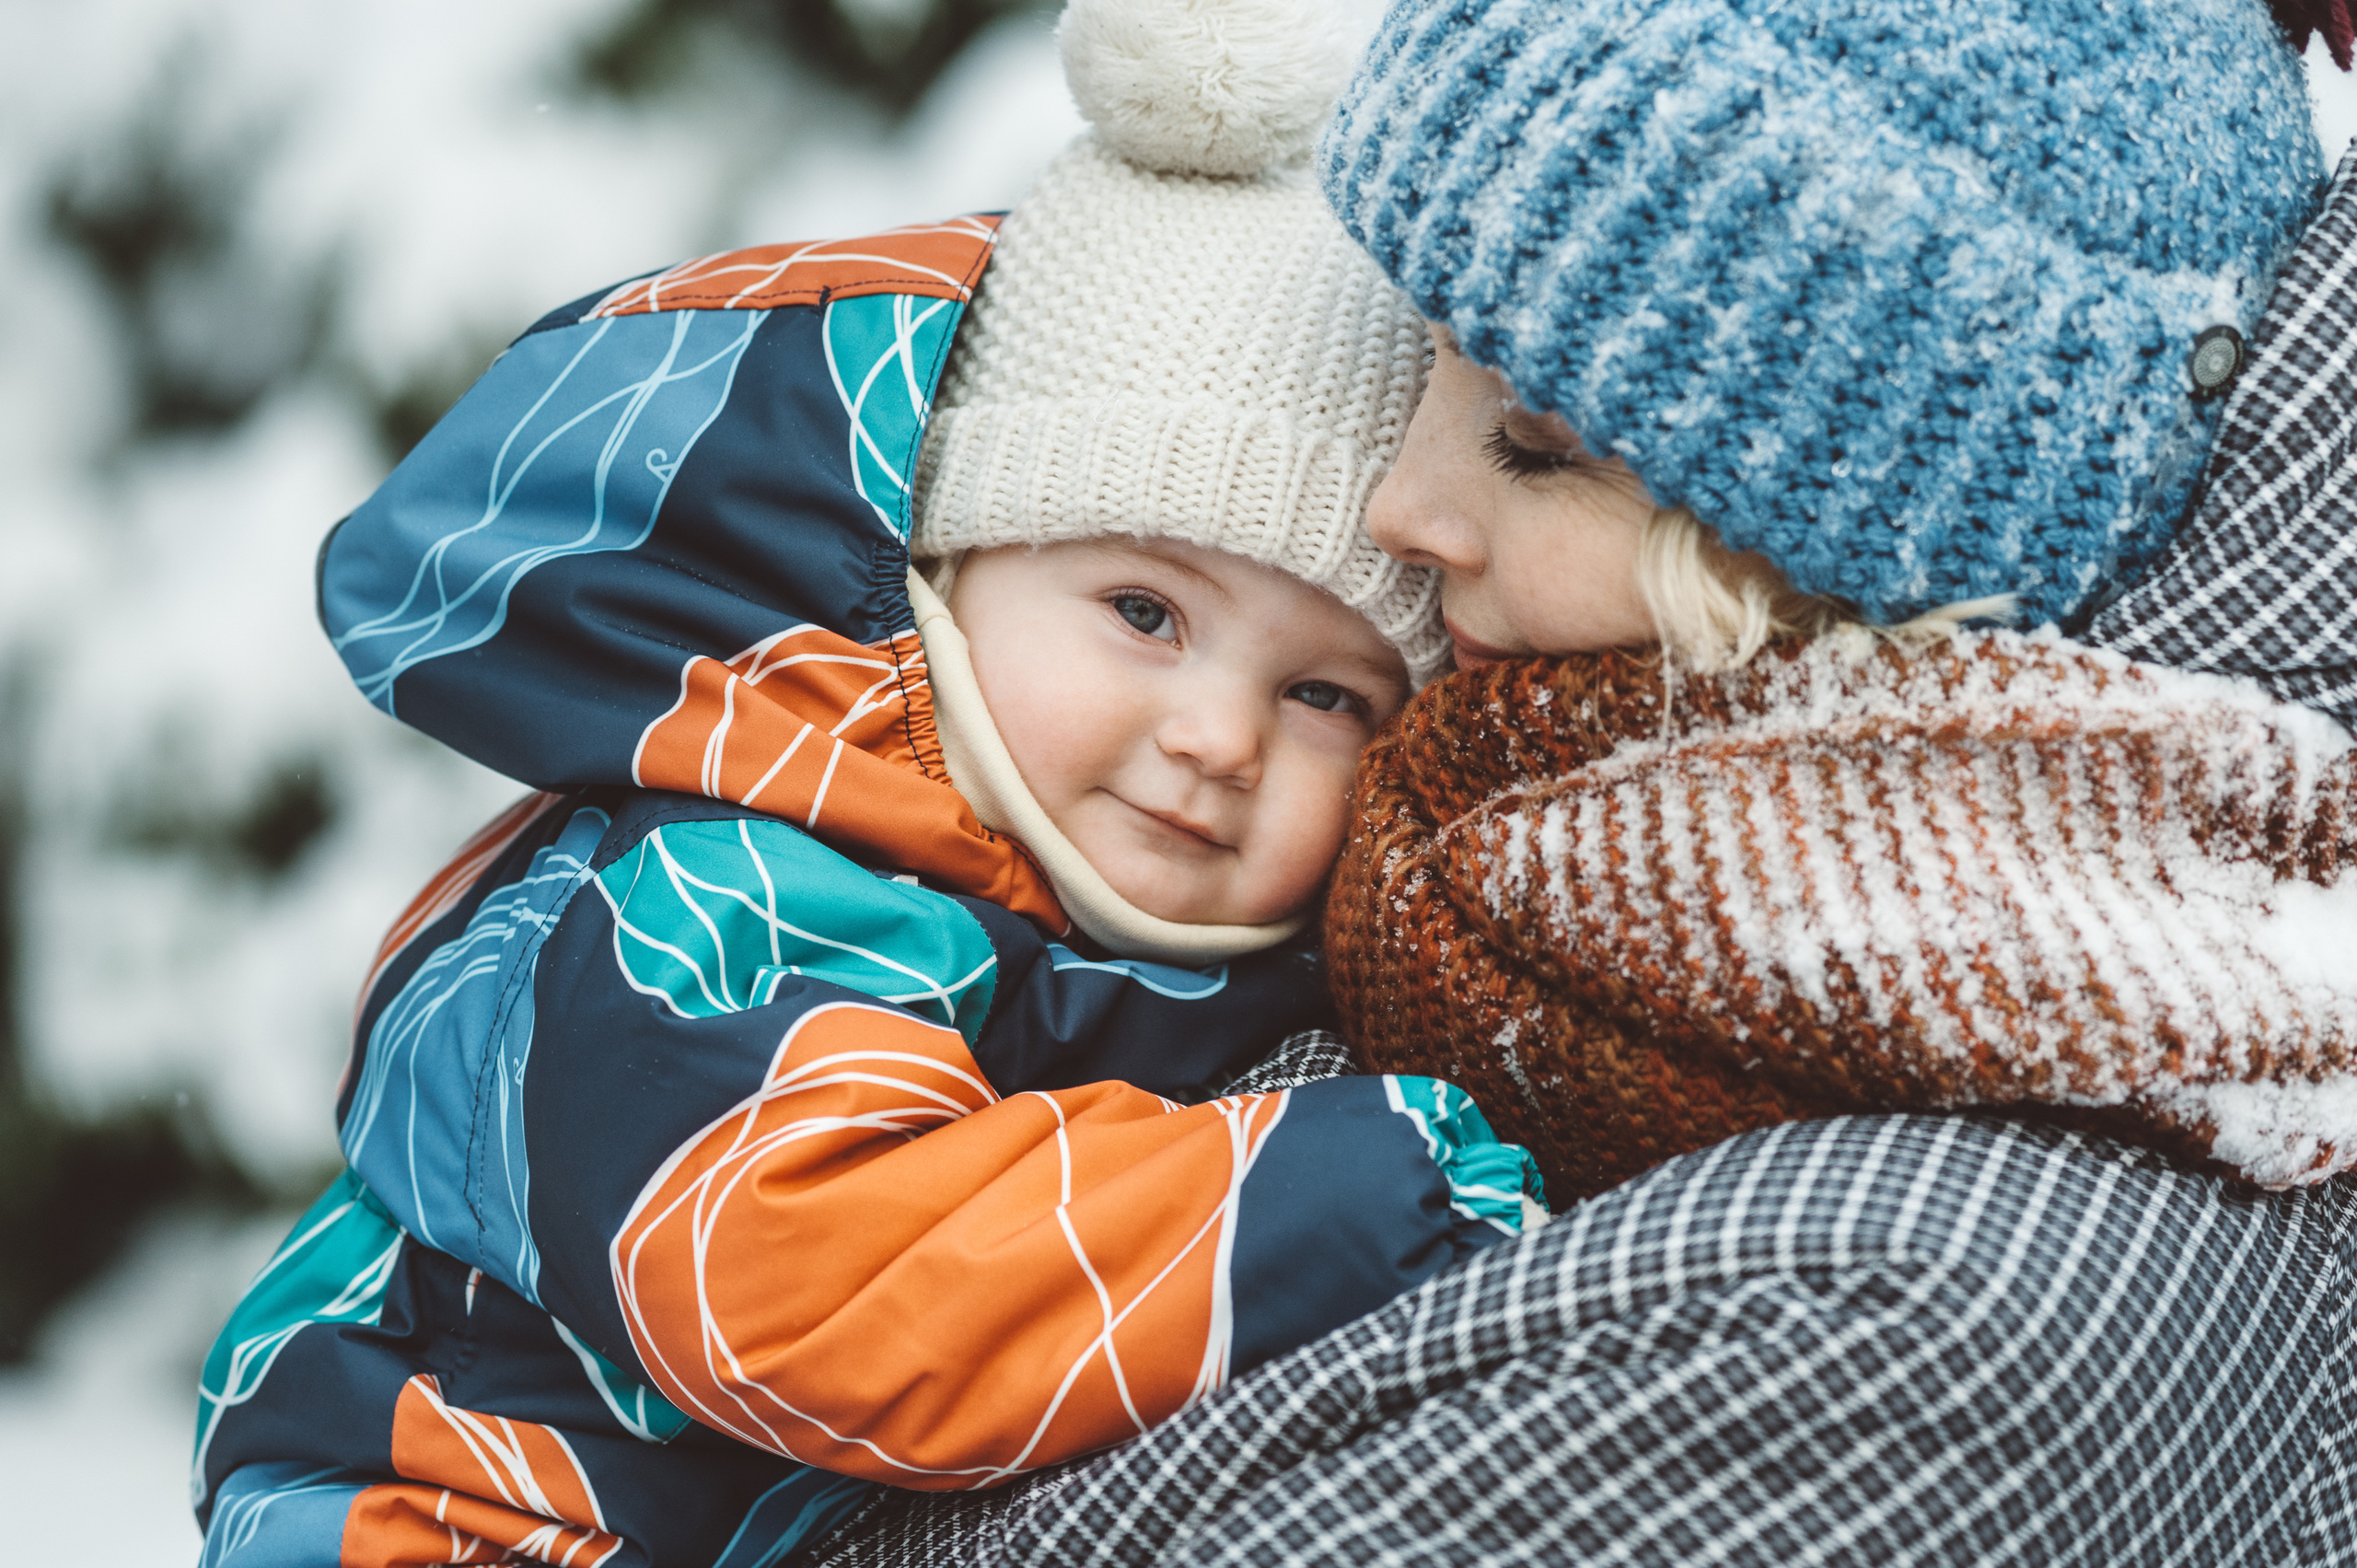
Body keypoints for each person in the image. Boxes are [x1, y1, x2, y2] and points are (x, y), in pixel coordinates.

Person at [783, 1, 2357, 1563]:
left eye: (1533, 444)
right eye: (1422, 372)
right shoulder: (1515, 889)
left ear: (1849, 568)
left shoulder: (1870, 1301)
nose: (1400, 508)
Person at [189, 5, 1544, 1563]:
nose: (1219, 737)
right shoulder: (734, 886)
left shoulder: (1133, 937)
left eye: (1325, 695)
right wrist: (1380, 1189)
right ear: (949, 580)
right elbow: (811, 1282)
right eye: (1145, 616)